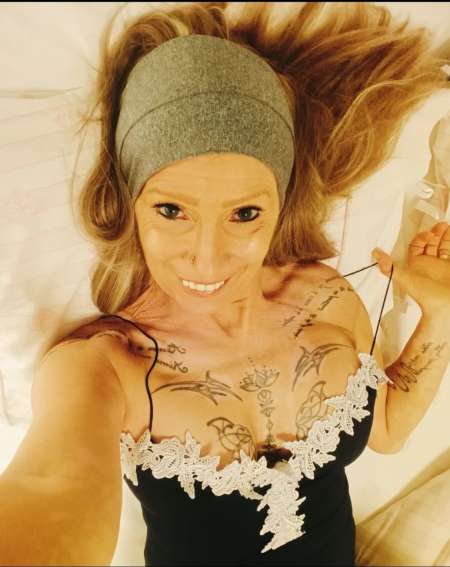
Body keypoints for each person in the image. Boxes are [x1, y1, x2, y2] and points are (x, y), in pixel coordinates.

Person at [1, 3, 449, 566]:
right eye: (171, 210)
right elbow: (50, 484)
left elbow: (385, 429)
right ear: (131, 203)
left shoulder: (328, 298)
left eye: (244, 214)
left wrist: (440, 312)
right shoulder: (106, 364)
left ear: (280, 207)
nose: (207, 259)